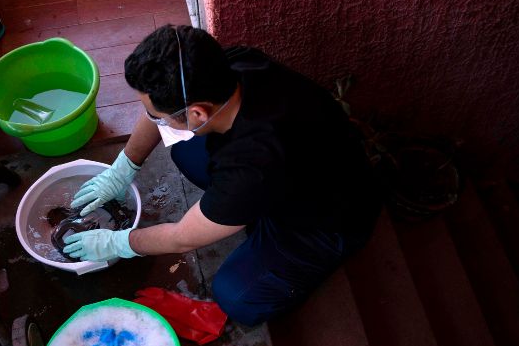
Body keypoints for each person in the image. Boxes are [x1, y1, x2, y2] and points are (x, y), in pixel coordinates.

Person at [63, 24, 381, 327]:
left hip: (325, 224)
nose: (155, 119)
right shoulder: (229, 66)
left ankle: (281, 254)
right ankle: (243, 215)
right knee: (184, 151)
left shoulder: (252, 167)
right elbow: (159, 110)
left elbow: (181, 237)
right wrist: (124, 166)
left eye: (160, 116)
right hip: (301, 169)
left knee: (237, 296)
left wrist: (118, 243)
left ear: (198, 112)